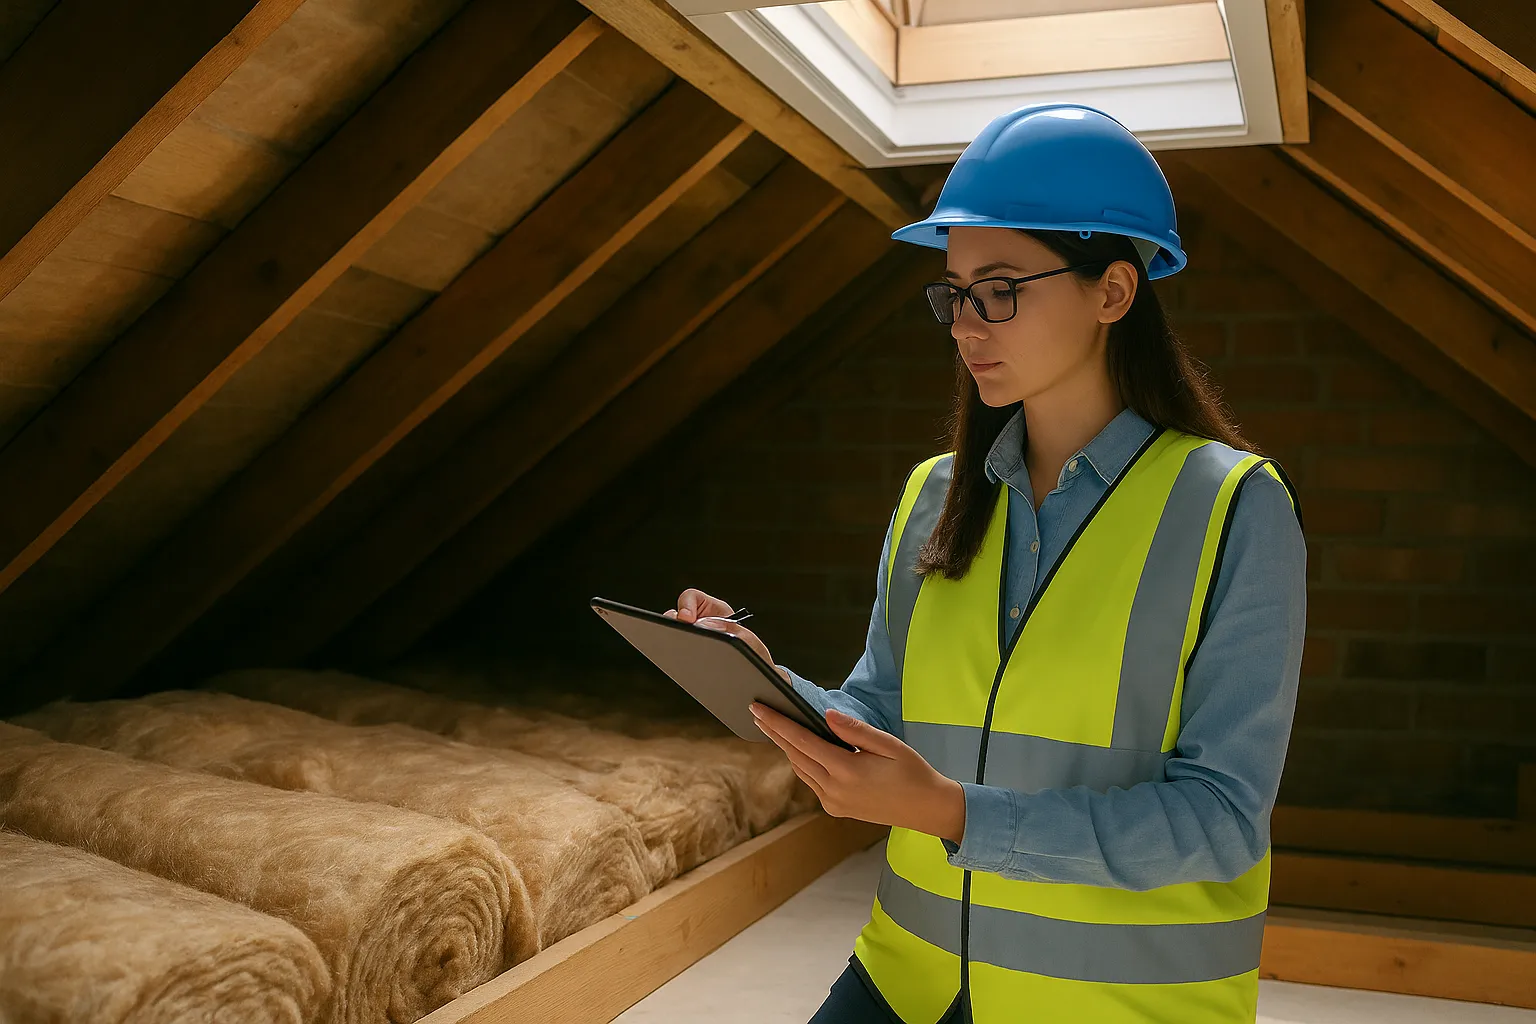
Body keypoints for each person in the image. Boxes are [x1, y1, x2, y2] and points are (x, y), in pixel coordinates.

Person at [664, 102, 1306, 1024]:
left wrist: (957, 815)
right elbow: (881, 713)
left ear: (1113, 292)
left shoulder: (1233, 508)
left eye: (1000, 288)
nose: (967, 325)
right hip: (911, 978)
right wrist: (770, 684)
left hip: (1112, 1006)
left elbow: (1220, 820)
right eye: (955, 291)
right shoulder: (936, 494)